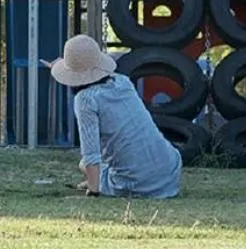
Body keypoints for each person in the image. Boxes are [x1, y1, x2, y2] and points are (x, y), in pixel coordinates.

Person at [50, 33, 182, 199]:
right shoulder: (123, 82)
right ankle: (103, 181)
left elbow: (91, 154)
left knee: (84, 165)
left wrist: (93, 190)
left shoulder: (85, 99)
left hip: (137, 185)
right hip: (170, 172)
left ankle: (100, 184)